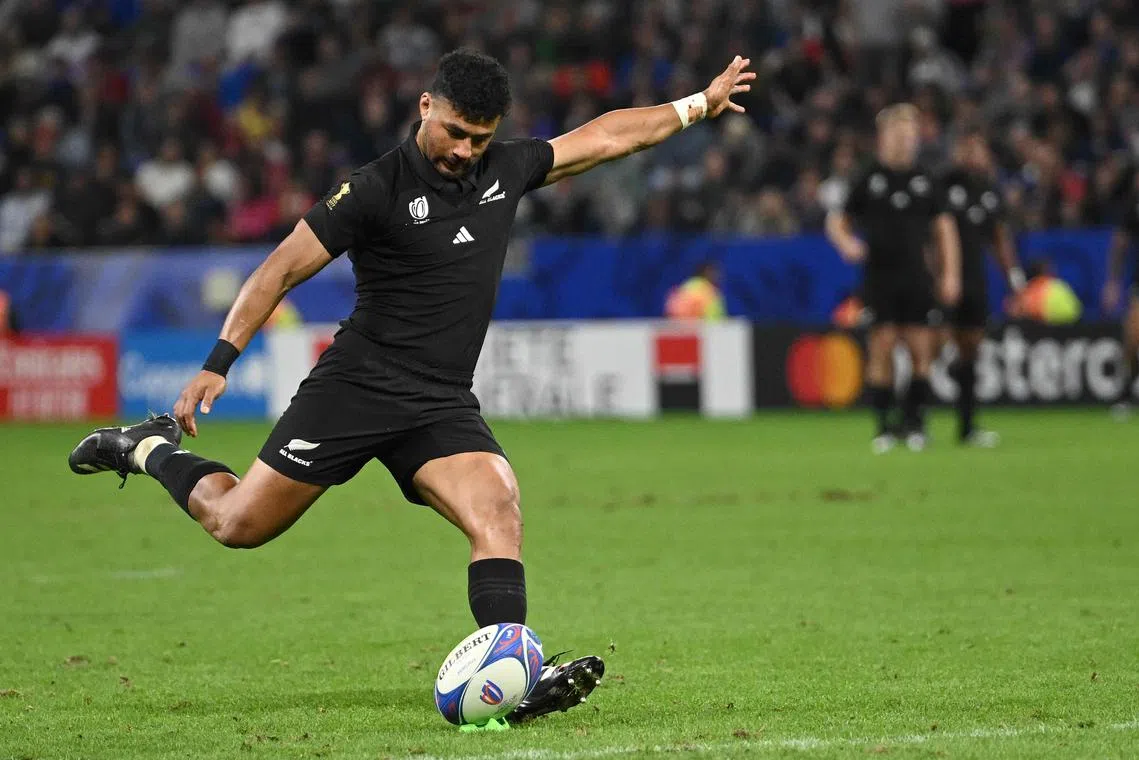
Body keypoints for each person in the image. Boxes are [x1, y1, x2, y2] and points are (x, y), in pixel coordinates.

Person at [67, 49, 755, 724]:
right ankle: (147, 448)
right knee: (237, 523)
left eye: (478, 138)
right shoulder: (373, 189)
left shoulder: (505, 169)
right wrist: (220, 359)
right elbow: (279, 269)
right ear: (426, 107)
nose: (463, 150)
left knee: (499, 511)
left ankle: (515, 678)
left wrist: (698, 104)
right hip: (357, 387)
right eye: (454, 132)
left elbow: (604, 137)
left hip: (439, 401)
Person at [825, 103, 961, 454]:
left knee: (921, 349)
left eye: (910, 133)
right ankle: (884, 427)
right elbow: (837, 221)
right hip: (879, 277)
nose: (905, 140)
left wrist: (950, 274)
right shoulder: (867, 177)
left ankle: (915, 423)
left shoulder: (926, 179)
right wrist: (847, 244)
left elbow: (944, 229)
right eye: (899, 133)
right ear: (884, 137)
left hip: (916, 275)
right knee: (881, 348)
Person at [938, 128, 1025, 447]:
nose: (972, 154)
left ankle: (967, 426)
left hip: (974, 280)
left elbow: (1000, 239)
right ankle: (910, 422)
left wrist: (1014, 280)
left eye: (977, 148)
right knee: (929, 347)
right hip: (943, 280)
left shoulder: (990, 192)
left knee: (971, 347)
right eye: (966, 147)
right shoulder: (941, 185)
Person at [1102, 169, 1139, 418]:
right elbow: (1120, 244)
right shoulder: (1134, 207)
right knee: (1133, 337)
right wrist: (1113, 282)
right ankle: (1126, 392)